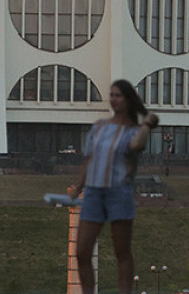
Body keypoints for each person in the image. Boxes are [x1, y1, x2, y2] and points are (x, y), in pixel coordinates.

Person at [69, 79, 159, 294]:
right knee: (82, 251)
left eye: (118, 95)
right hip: (93, 193)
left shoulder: (133, 131)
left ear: (128, 99)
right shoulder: (99, 126)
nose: (114, 99)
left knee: (122, 251)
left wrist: (147, 124)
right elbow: (89, 159)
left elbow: (137, 145)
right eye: (112, 94)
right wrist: (78, 187)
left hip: (118, 192)